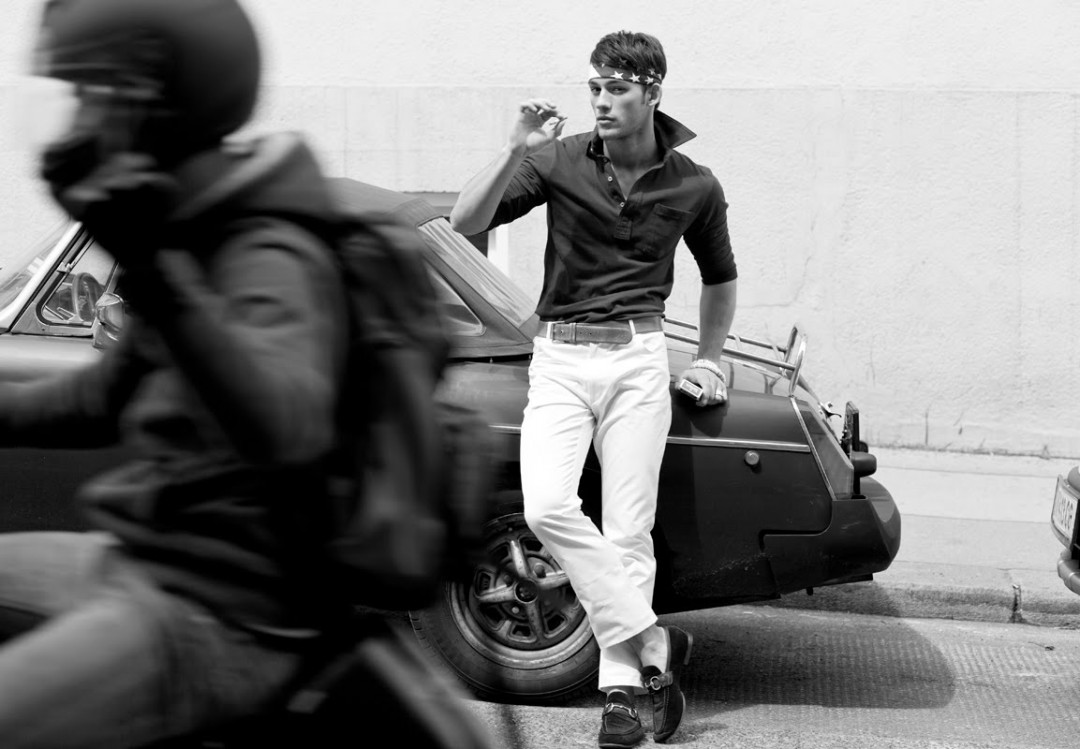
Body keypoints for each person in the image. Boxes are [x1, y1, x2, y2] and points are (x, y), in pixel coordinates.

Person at [0, 0, 354, 746]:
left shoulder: (268, 248)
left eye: (85, 96)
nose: (69, 127)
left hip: (222, 615)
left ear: (150, 102)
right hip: (144, 563)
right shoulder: (189, 227)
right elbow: (104, 395)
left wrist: (158, 270)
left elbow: (289, 427)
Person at [450, 29, 738, 748]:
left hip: (638, 361)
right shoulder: (558, 159)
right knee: (548, 505)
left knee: (628, 529)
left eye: (616, 88)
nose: (601, 101)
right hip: (560, 357)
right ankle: (651, 640)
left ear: (653, 91)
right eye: (595, 88)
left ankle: (621, 694)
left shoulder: (695, 183)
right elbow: (464, 222)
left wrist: (710, 358)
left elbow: (721, 278)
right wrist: (514, 148)